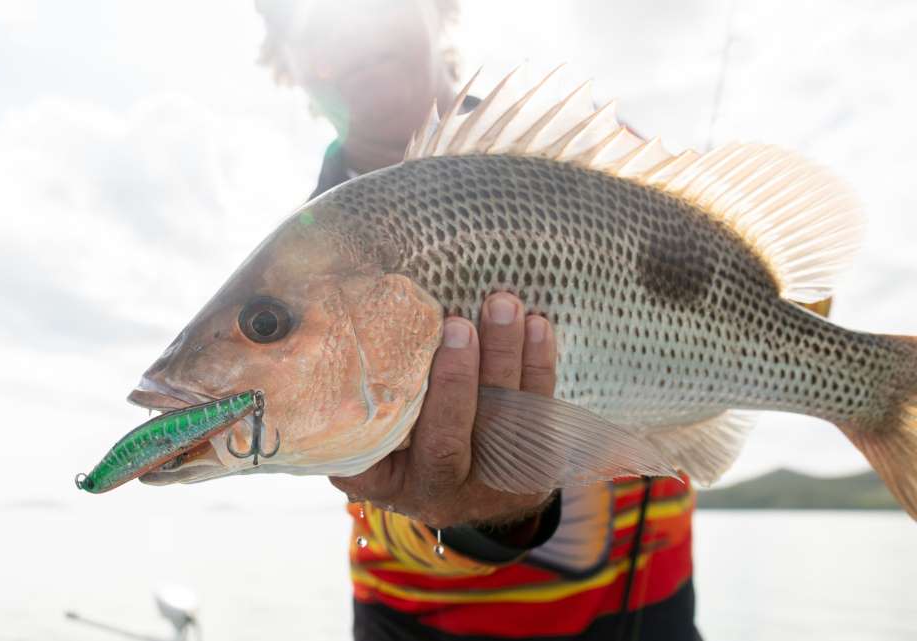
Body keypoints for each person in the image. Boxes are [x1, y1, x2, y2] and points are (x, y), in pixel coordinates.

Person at [255, 1, 700, 639]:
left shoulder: (598, 153)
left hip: (652, 610)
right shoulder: (292, 279)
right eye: (313, 28)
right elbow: (363, 479)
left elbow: (746, 299)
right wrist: (474, 515)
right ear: (287, 63)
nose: (350, 34)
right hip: (424, 626)